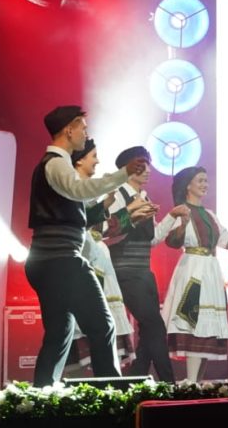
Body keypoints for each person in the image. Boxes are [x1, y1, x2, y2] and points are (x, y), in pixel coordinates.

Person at [25, 105, 146, 386]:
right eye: (83, 128)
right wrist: (122, 174)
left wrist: (109, 211)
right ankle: (110, 395)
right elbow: (79, 189)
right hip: (62, 261)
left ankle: (42, 394)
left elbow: (75, 214)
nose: (85, 134)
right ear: (69, 129)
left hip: (46, 261)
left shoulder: (54, 164)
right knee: (102, 326)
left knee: (59, 332)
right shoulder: (56, 163)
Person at [162, 166, 228, 383]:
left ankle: (195, 382)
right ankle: (191, 382)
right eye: (200, 180)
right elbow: (172, 241)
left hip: (211, 271)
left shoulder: (210, 214)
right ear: (188, 185)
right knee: (193, 322)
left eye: (206, 180)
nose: (205, 184)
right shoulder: (181, 211)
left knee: (207, 327)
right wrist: (182, 224)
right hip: (192, 269)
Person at [68, 139, 145, 371]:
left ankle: (106, 374)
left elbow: (103, 229)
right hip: (85, 254)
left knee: (104, 319)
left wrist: (130, 217)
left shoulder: (87, 188)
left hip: (98, 255)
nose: (97, 161)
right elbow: (92, 226)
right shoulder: (75, 188)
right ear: (79, 160)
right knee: (90, 319)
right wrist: (128, 212)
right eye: (93, 156)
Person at [103, 146, 179, 382]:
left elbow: (152, 239)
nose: (148, 170)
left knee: (149, 329)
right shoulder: (117, 196)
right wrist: (133, 218)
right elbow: (106, 233)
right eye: (141, 165)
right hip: (123, 270)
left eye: (148, 165)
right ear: (127, 168)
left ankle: (136, 380)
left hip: (144, 273)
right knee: (155, 326)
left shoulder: (145, 198)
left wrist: (172, 216)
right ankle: (169, 384)